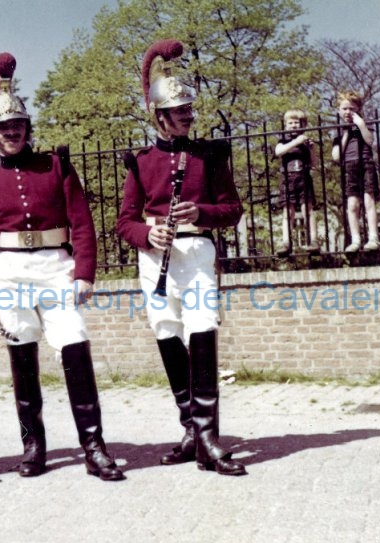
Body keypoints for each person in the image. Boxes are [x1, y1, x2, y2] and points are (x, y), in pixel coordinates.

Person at [0, 52, 124, 482]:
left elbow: (82, 223)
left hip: (56, 267)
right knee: (22, 356)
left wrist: (85, 273)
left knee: (74, 344)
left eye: (17, 125)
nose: (11, 132)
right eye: (3, 128)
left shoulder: (56, 166)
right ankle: (33, 447)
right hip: (10, 273)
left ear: (27, 128)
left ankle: (94, 447)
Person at [117, 39, 247, 476]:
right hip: (156, 258)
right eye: (179, 111)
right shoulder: (140, 162)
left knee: (202, 328)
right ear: (159, 116)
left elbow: (233, 210)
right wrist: (147, 234)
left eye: (190, 109)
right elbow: (124, 223)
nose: (189, 116)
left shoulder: (210, 156)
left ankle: (208, 438)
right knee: (167, 331)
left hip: (196, 255)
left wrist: (202, 213)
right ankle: (191, 430)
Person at [331, 91, 380, 252]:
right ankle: (355, 240)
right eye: (344, 108)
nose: (347, 112)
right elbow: (336, 156)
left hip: (366, 163)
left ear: (358, 109)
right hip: (349, 166)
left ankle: (373, 238)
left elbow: (370, 141)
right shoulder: (339, 130)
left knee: (368, 201)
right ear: (339, 110)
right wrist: (345, 134)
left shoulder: (364, 123)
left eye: (351, 108)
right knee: (352, 204)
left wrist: (360, 125)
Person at [274, 109, 320, 256]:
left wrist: (312, 149)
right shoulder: (283, 139)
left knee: (308, 210)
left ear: (303, 125)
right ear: (286, 125)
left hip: (303, 178)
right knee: (288, 212)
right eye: (291, 123)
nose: (294, 125)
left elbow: (314, 163)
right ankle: (286, 243)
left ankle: (313, 241)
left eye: (297, 123)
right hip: (288, 179)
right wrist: (295, 142)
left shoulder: (305, 142)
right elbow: (278, 151)